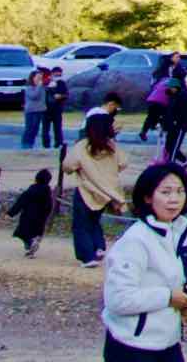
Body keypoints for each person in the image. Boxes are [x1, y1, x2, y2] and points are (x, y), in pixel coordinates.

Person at [100, 161, 187, 362]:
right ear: (147, 197)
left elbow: (169, 281)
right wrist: (169, 298)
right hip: (132, 345)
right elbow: (118, 299)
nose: (174, 199)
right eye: (166, 192)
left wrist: (183, 308)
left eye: (180, 191)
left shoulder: (179, 232)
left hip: (167, 342)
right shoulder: (136, 240)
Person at [65, 111, 128, 267]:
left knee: (81, 224)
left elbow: (68, 166)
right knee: (94, 220)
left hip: (87, 190)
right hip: (108, 191)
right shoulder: (112, 147)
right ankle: (99, 247)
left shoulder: (82, 146)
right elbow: (123, 163)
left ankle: (87, 256)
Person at [9, 167, 57, 257]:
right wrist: (47, 215)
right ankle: (33, 244)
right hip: (41, 218)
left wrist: (10, 213)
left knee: (22, 233)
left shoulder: (31, 190)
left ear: (36, 178)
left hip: (27, 217)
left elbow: (20, 202)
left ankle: (30, 245)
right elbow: (49, 205)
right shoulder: (48, 192)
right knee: (35, 233)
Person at [21, 68, 51, 150]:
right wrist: (39, 86)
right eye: (38, 78)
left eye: (40, 78)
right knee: (29, 128)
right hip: (31, 111)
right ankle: (26, 145)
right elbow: (34, 96)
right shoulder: (29, 87)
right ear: (33, 78)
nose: (39, 80)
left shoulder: (42, 87)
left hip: (40, 110)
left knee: (35, 129)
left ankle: (31, 144)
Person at [46, 67, 72, 149]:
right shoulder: (46, 82)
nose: (57, 76)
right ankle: (46, 144)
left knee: (57, 127)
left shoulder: (62, 83)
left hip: (57, 107)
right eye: (56, 74)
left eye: (59, 74)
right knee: (45, 128)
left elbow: (66, 94)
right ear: (52, 74)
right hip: (46, 108)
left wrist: (61, 96)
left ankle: (59, 142)